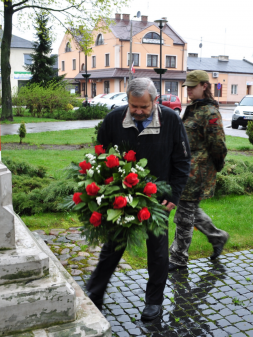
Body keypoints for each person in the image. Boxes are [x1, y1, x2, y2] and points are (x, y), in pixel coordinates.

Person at [85, 78, 191, 321]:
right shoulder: (113, 120)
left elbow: (183, 162)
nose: (139, 112)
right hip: (122, 197)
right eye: (134, 106)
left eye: (144, 107)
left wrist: (174, 196)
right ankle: (95, 293)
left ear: (155, 101)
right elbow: (100, 156)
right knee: (112, 246)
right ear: (128, 101)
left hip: (158, 200)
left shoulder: (171, 121)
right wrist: (104, 189)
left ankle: (154, 302)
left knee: (157, 251)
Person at [168, 70, 229, 271]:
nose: (189, 91)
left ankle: (178, 258)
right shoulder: (194, 108)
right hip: (187, 169)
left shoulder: (210, 112)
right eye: (188, 87)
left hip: (198, 172)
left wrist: (213, 168)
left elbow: (218, 146)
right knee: (188, 208)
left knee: (184, 215)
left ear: (204, 85)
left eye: (193, 87)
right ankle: (218, 237)